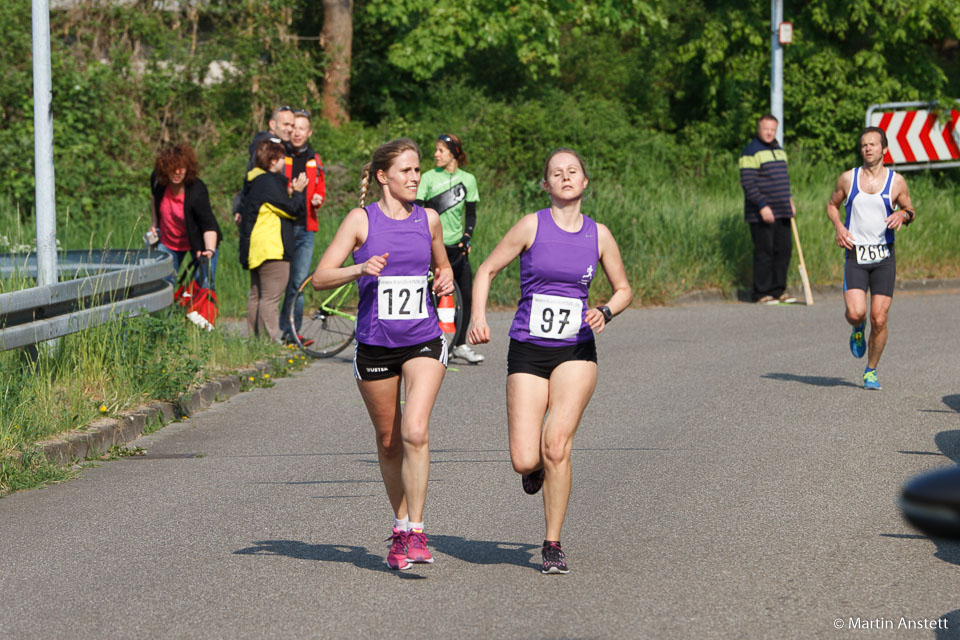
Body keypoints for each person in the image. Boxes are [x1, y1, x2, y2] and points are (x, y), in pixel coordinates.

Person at [468, 148, 632, 575]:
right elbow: (485, 270)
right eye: (556, 173)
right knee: (525, 459)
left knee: (556, 444)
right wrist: (478, 317)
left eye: (572, 171)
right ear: (546, 185)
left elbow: (624, 289)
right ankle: (537, 467)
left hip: (576, 350)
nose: (565, 177)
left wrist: (606, 311)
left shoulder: (599, 234)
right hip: (528, 348)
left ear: (584, 182)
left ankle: (552, 542)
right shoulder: (531, 225)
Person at [310, 138, 454, 570]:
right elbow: (320, 277)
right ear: (382, 176)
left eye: (417, 170)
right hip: (375, 344)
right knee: (390, 442)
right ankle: (400, 526)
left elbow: (443, 265)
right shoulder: (361, 220)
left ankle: (417, 531)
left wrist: (445, 278)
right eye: (406, 171)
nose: (415, 177)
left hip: (423, 338)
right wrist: (360, 267)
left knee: (415, 430)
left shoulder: (429, 218)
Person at [826, 126, 915, 390]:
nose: (867, 148)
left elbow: (910, 210)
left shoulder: (896, 182)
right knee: (856, 313)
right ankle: (857, 328)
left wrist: (902, 215)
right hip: (856, 255)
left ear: (884, 149)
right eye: (864, 144)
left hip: (884, 258)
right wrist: (839, 227)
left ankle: (871, 370)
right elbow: (832, 205)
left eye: (873, 144)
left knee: (880, 319)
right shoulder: (848, 179)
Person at [416, 133, 483, 363]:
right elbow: (418, 210)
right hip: (433, 247)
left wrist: (467, 236)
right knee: (429, 295)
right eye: (435, 150)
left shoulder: (468, 179)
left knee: (466, 294)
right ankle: (430, 341)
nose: (436, 154)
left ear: (454, 153)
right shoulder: (427, 178)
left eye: (441, 150)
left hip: (457, 247)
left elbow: (471, 213)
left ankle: (460, 344)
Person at [239, 138, 308, 341]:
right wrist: (298, 192)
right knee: (270, 298)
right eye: (282, 158)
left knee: (256, 296)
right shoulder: (268, 182)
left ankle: (256, 341)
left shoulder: (254, 181)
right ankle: (270, 341)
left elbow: (274, 205)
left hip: (255, 248)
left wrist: (288, 193)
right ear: (272, 160)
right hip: (272, 248)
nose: (285, 161)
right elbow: (291, 209)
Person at [278, 110, 326, 345]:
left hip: (306, 229)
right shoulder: (279, 155)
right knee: (279, 283)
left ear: (309, 132)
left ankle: (292, 333)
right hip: (282, 227)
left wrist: (318, 198)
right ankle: (273, 332)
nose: (297, 133)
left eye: (302, 129)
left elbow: (320, 187)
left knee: (298, 283)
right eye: (294, 128)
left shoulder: (314, 159)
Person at [739, 114, 797, 304]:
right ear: (759, 129)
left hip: (782, 210)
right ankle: (761, 293)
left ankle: (778, 290)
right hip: (760, 213)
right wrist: (762, 205)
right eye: (766, 129)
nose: (770, 132)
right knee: (765, 253)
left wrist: (789, 200)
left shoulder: (779, 150)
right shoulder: (750, 151)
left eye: (773, 129)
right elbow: (748, 183)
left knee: (784, 251)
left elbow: (783, 180)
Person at [149, 143, 222, 289]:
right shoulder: (160, 186)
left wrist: (209, 251)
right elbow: (154, 200)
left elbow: (208, 224)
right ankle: (168, 305)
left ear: (188, 168)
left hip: (199, 242)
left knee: (204, 284)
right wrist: (154, 223)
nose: (177, 172)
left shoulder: (197, 190)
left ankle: (200, 303)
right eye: (172, 168)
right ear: (165, 169)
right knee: (163, 286)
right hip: (169, 242)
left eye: (181, 168)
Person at [234, 106, 297, 224]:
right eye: (285, 124)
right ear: (272, 124)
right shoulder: (265, 149)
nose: (289, 129)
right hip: (263, 218)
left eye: (292, 125)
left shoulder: (285, 148)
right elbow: (253, 181)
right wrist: (240, 208)